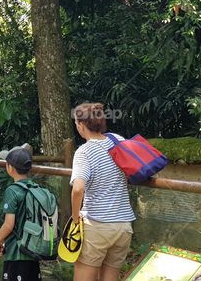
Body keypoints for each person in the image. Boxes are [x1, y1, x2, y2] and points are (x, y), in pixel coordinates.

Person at [70, 103, 135, 281]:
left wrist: (75, 218)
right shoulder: (117, 140)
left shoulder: (84, 152)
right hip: (123, 226)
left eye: (76, 123)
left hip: (98, 226)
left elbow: (78, 188)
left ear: (81, 125)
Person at [0, 147, 43, 281]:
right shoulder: (35, 188)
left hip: (16, 253)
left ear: (10, 168)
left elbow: (9, 225)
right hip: (33, 252)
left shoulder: (12, 191)